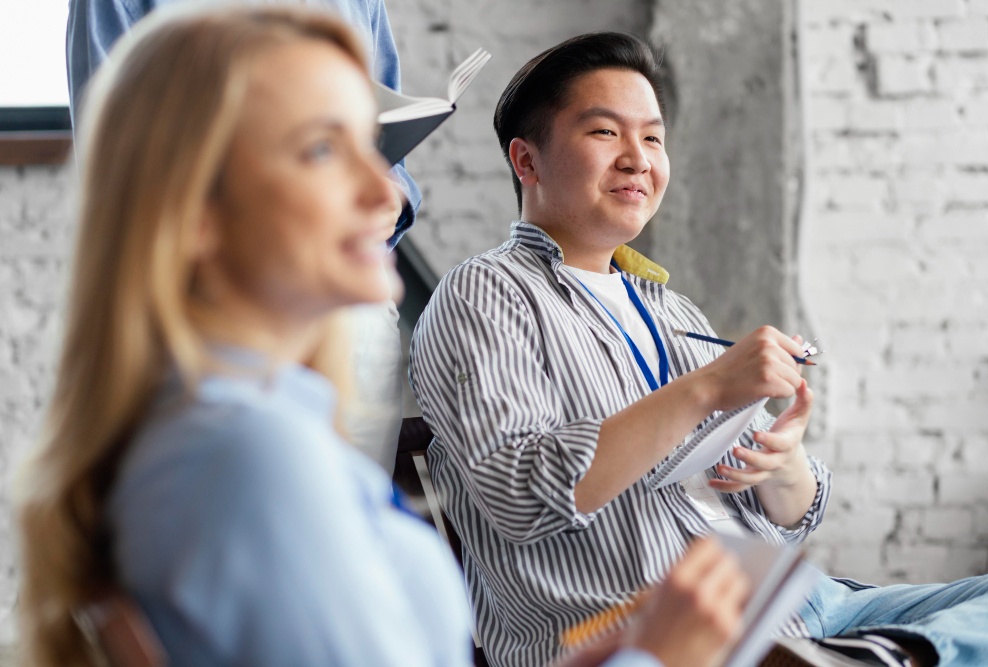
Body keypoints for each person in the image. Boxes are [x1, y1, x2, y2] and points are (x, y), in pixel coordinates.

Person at [16, 7, 752, 667]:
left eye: (376, 148)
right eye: (322, 150)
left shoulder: (238, 433)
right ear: (194, 212)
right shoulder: (254, 461)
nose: (387, 193)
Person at [408, 31, 988, 667]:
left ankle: (873, 655)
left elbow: (791, 514)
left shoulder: (670, 311)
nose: (638, 158)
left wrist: (783, 463)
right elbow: (519, 493)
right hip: (655, 634)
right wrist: (709, 387)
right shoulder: (486, 292)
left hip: (804, 609)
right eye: (606, 133)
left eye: (654, 137)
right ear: (526, 162)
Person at [66, 0, 419, 472]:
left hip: (351, 327)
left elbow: (385, 152)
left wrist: (396, 190)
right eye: (321, 149)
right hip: (212, 321)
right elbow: (124, 167)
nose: (374, 189)